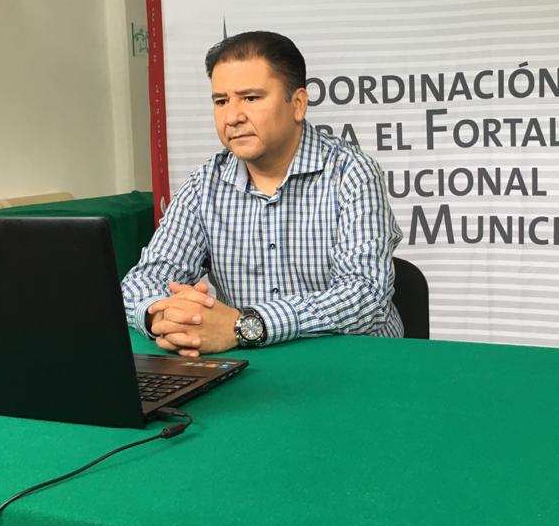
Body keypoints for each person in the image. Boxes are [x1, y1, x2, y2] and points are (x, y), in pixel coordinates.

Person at [121, 30, 403, 356]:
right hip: (253, 365)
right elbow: (142, 282)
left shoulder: (351, 173)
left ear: (298, 104)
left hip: (355, 362)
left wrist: (244, 325)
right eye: (221, 101)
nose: (232, 117)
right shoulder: (205, 183)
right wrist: (165, 316)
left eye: (251, 98)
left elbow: (366, 296)